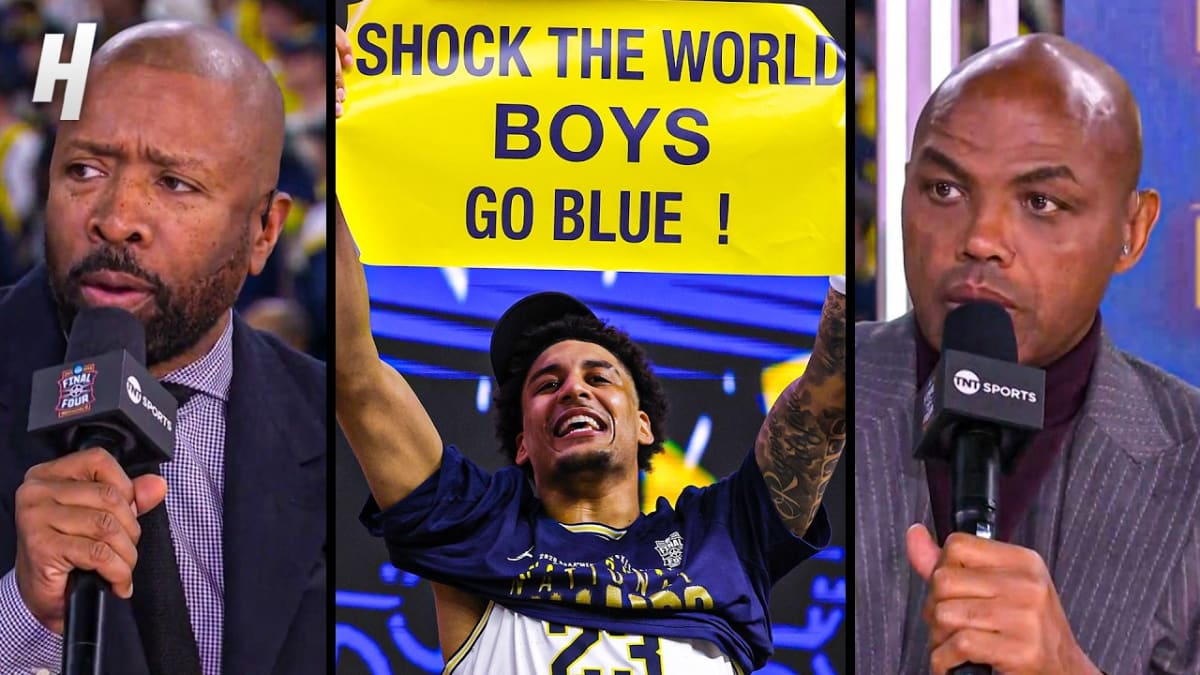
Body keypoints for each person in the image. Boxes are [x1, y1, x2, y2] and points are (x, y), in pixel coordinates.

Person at [333, 26, 846, 674]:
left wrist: (844, 230)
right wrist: (336, 137)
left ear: (644, 421)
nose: (573, 387)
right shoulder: (476, 528)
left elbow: (825, 407)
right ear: (522, 442)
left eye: (599, 375)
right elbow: (355, 374)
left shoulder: (723, 537)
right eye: (545, 384)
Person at [854, 34, 1200, 674]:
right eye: (944, 191)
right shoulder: (803, 399)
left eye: (1040, 202)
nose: (982, 239)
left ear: (1133, 231)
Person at [0, 21, 326, 674]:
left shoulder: (333, 418)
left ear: (264, 230)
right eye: (85, 169)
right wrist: (21, 616)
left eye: (175, 183)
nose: (116, 218)